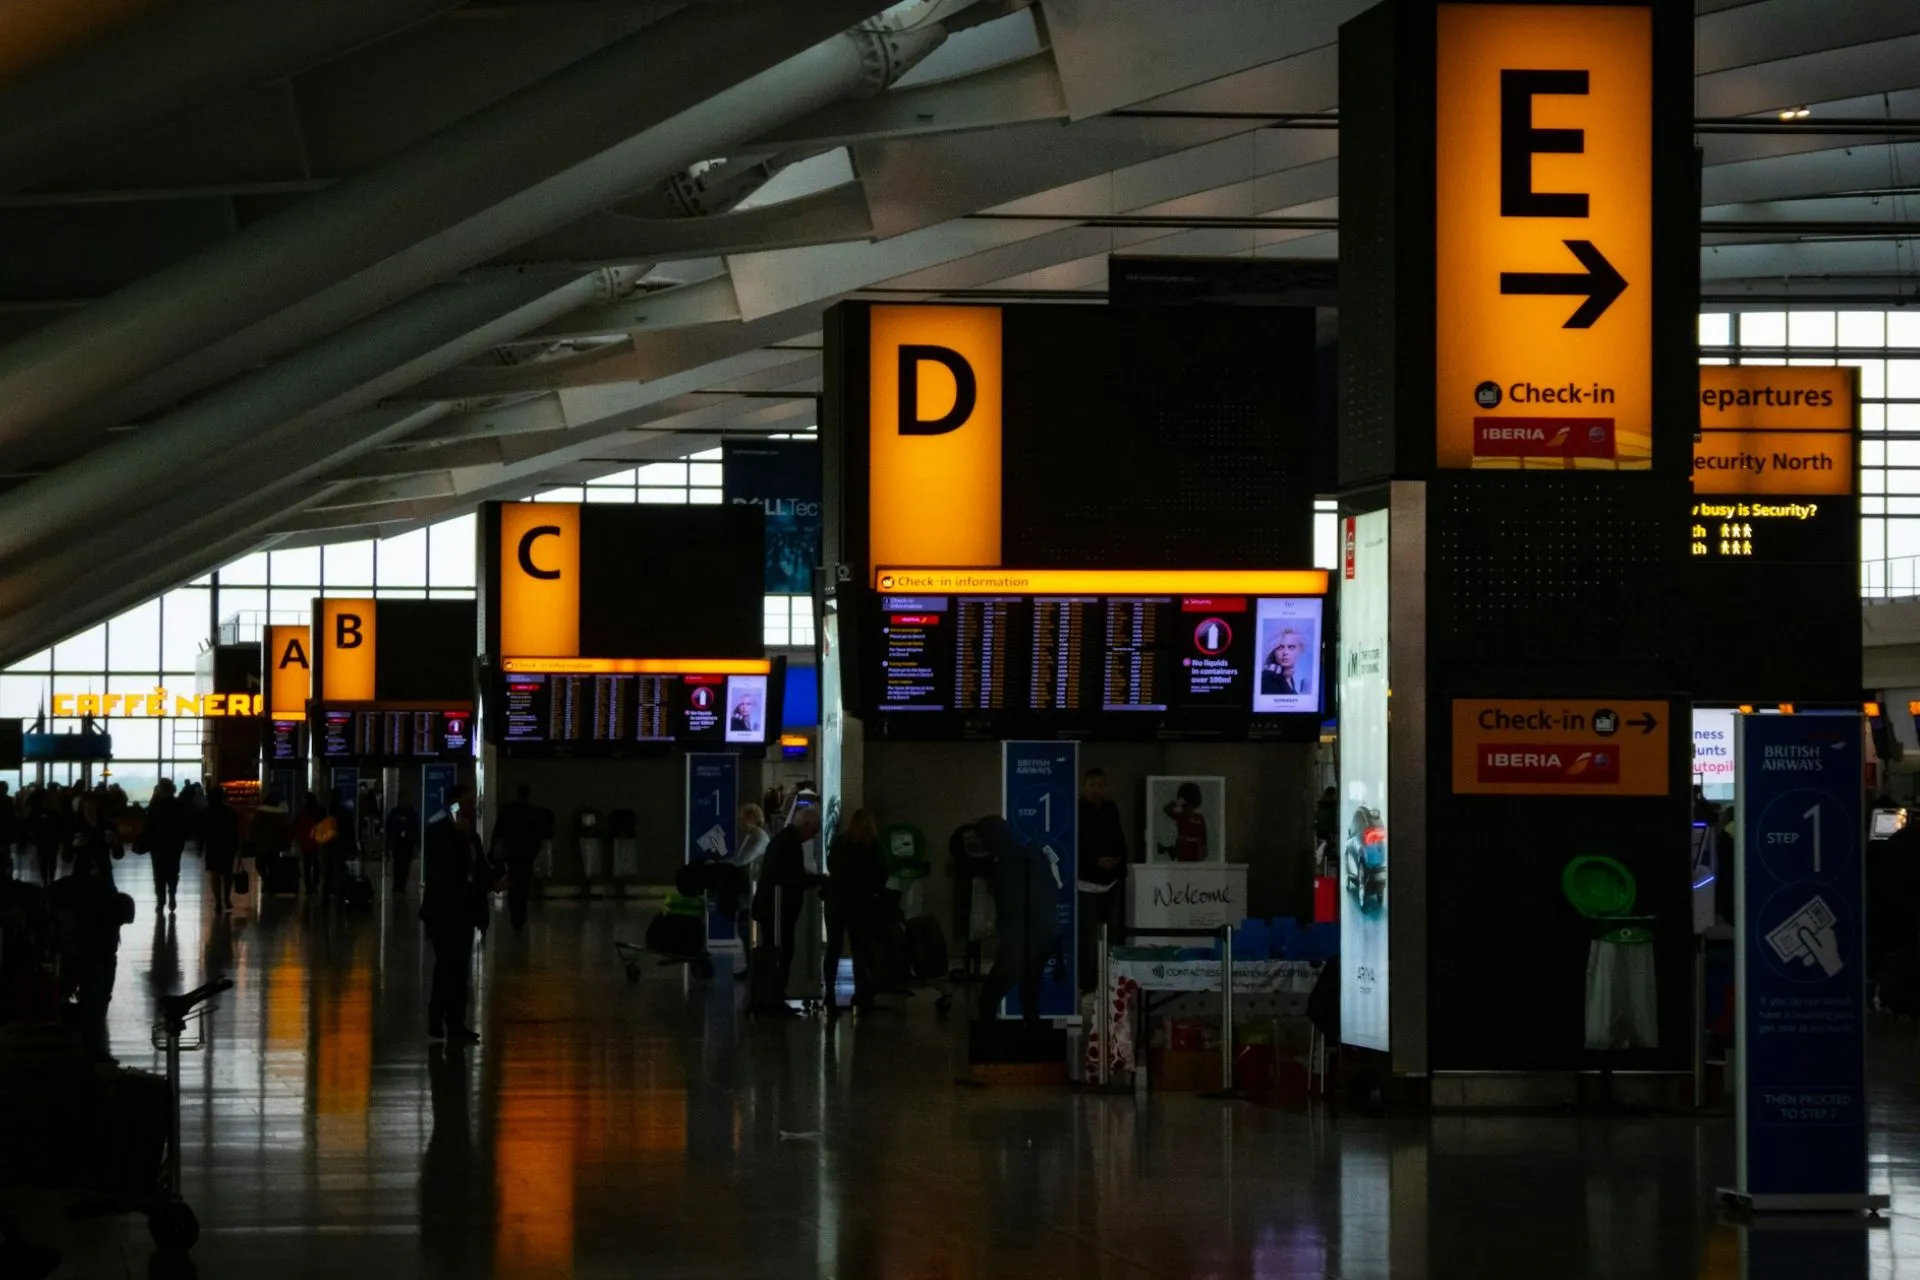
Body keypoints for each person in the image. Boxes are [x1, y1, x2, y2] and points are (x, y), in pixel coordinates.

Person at [975, 814, 1064, 1027]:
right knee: (1030, 994)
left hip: (1022, 938)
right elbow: (1052, 889)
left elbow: (1011, 903)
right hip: (1046, 936)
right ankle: (1034, 1049)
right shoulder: (1033, 853)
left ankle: (990, 1051)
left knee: (990, 996)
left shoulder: (1005, 863)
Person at [421, 786, 484, 1043]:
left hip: (464, 913)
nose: (470, 809)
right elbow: (442, 872)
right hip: (445, 913)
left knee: (458, 970)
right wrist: (459, 836)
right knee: (447, 968)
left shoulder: (472, 837)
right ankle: (439, 1020)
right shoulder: (440, 833)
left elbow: (479, 868)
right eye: (465, 804)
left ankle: (454, 1022)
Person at [748, 803, 823, 1014]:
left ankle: (772, 997)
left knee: (776, 952)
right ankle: (774, 998)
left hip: (772, 907)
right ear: (805, 825)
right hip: (777, 910)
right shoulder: (790, 844)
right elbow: (792, 878)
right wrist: (818, 879)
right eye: (814, 830)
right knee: (780, 953)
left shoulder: (783, 840)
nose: (814, 835)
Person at [822, 809, 887, 1012]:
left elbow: (831, 865)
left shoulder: (841, 841)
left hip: (836, 901)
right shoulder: (873, 845)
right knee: (860, 949)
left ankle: (829, 993)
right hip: (860, 903)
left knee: (833, 947)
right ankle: (861, 993)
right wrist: (872, 891)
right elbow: (882, 873)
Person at [1076, 769, 1129, 992]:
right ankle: (1088, 984)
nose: (1096, 790)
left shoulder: (1110, 809)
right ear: (1084, 786)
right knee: (1088, 938)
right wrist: (1095, 862)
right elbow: (1077, 844)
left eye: (1100, 785)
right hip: (1086, 882)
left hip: (1111, 880)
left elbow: (1119, 838)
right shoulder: (1078, 810)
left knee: (1111, 935)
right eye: (1092, 785)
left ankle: (1110, 981)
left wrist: (1117, 863)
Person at [490, 785, 546, 934]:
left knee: (513, 882)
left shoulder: (507, 810)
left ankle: (515, 912)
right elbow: (538, 836)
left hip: (511, 853)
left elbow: (498, 832)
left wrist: (496, 852)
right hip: (526, 854)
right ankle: (519, 916)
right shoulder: (534, 812)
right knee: (523, 885)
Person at [141, 778, 190, 913]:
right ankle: (172, 895)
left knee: (158, 873)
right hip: (174, 844)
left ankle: (160, 901)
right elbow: (185, 824)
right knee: (173, 872)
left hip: (157, 844)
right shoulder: (178, 804)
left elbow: (148, 825)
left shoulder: (155, 805)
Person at [202, 786, 241, 912]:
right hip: (228, 845)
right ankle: (227, 898)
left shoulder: (207, 812)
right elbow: (236, 830)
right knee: (227, 873)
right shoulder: (230, 812)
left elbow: (202, 831)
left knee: (215, 874)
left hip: (212, 846)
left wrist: (201, 845)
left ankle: (218, 900)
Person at [1159, 781, 1209, 863]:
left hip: (1196, 849)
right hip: (1183, 848)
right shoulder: (1181, 814)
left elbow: (1203, 835)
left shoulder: (1199, 817)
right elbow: (1167, 809)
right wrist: (1179, 801)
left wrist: (1204, 849)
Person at [386, 796, 421, 892]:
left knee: (405, 865)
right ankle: (397, 884)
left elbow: (415, 828)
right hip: (397, 842)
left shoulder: (411, 813)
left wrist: (416, 843)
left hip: (408, 842)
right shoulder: (395, 813)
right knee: (397, 865)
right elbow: (389, 827)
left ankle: (402, 885)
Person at [1260, 628, 1310, 696]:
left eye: (1291, 647)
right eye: (1280, 647)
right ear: (1274, 651)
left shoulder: (1290, 678)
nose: (1285, 653)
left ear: (1300, 650)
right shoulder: (1268, 678)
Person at [293, 793, 324, 894]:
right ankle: (315, 884)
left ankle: (308, 885)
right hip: (317, 841)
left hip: (305, 841)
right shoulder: (319, 812)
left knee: (307, 864)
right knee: (316, 863)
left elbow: (296, 825)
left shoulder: (302, 812)